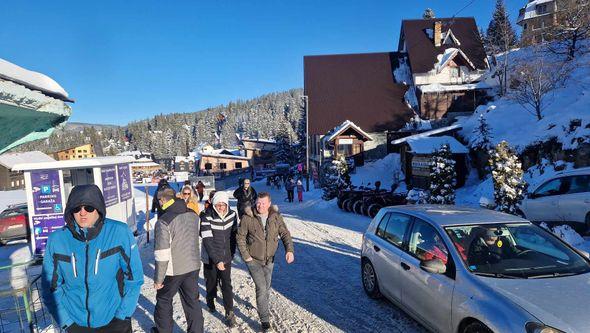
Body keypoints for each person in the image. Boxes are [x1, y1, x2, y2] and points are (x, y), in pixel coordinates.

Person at [41, 184, 143, 333]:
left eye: (89, 207)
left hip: (113, 320)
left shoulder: (119, 233)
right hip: (75, 323)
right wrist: (66, 322)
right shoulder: (57, 240)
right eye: (77, 208)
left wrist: (123, 316)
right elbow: (50, 286)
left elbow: (134, 279)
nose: (82, 213)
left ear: (98, 208)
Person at [237, 192, 294, 331]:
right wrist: (246, 257)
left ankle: (262, 305)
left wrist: (289, 250)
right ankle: (265, 321)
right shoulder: (248, 217)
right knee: (262, 288)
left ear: (269, 204)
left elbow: (285, 233)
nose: (260, 206)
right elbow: (240, 237)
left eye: (263, 203)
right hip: (253, 260)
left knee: (266, 288)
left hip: (269, 260)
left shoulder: (275, 217)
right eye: (258, 203)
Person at [152, 188, 203, 333]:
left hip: (174, 269)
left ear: (162, 200)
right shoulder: (193, 214)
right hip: (192, 265)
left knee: (164, 300)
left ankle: (164, 330)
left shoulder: (164, 221)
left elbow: (162, 253)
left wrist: (158, 279)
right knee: (192, 301)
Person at [200, 192, 238, 327]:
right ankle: (210, 300)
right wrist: (217, 260)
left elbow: (234, 236)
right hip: (211, 258)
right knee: (211, 283)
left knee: (227, 284)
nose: (221, 207)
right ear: (214, 204)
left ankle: (229, 312)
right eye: (218, 204)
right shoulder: (206, 216)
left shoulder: (233, 215)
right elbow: (207, 240)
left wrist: (231, 253)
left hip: (226, 257)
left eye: (224, 204)